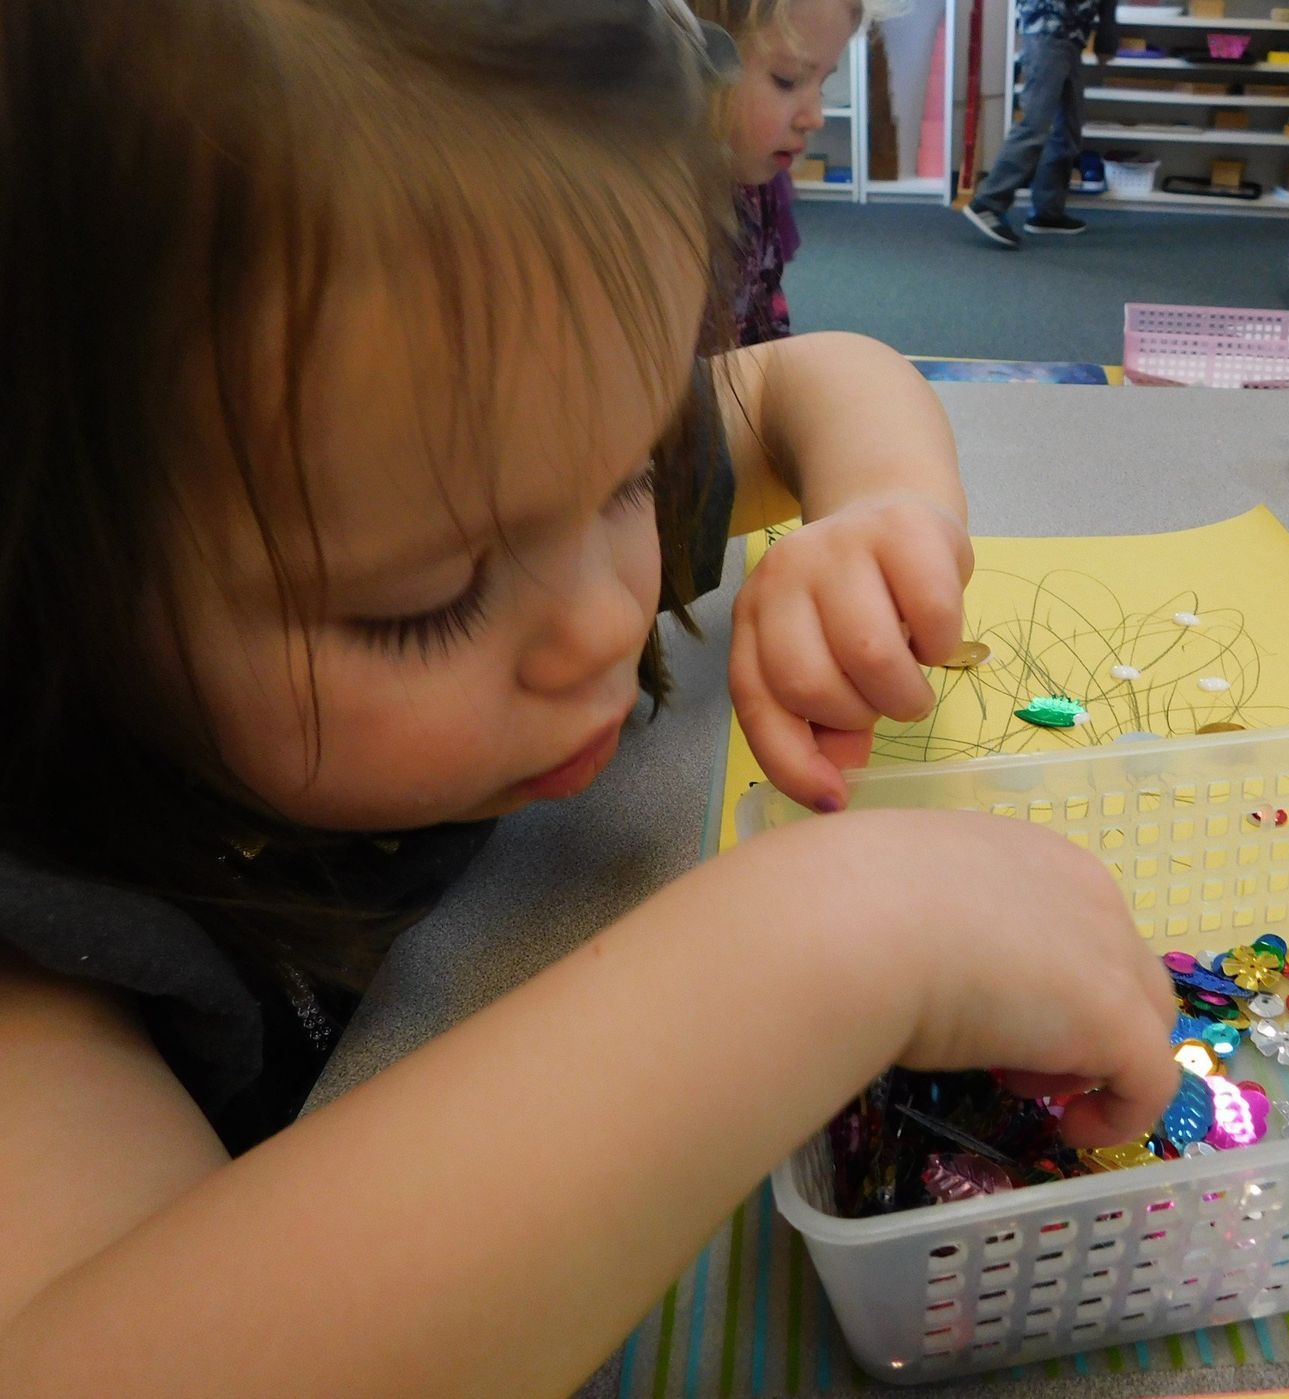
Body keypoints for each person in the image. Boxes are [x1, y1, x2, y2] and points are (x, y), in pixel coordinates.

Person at [0, 1, 1178, 1392]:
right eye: (421, 603)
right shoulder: (52, 944)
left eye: (628, 473)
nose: (610, 619)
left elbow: (818, 376)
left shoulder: (500, 463)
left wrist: (883, 517)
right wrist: (835, 937)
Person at [691, 0, 865, 344]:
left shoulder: (755, 191)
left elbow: (765, 325)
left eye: (822, 83)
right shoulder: (650, 214)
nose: (815, 118)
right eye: (787, 81)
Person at [961, 0, 1118, 249]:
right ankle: (988, 202)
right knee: (1035, 124)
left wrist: (1108, 34)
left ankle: (1048, 213)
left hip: (1072, 36)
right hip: (1046, 31)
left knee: (1069, 127)